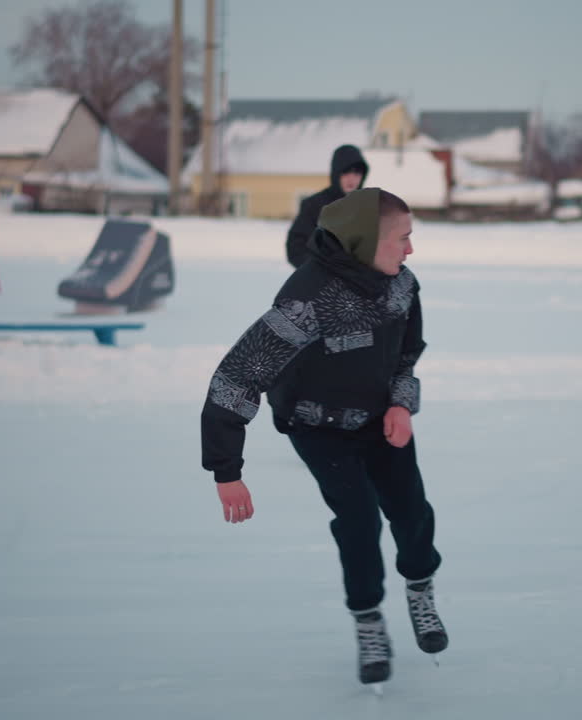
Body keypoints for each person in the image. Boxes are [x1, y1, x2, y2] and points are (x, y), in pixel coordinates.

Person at [201, 187, 445, 687]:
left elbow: (407, 352)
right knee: (358, 521)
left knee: (412, 511)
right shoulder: (307, 301)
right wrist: (227, 471)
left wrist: (402, 401)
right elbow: (237, 377)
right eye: (403, 238)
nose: (411, 249)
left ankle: (420, 589)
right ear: (363, 241)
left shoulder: (402, 285)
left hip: (379, 419)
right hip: (319, 427)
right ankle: (369, 619)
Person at [286, 145, 369, 268]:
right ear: (336, 173)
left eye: (357, 173)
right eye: (346, 172)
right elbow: (295, 248)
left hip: (360, 282)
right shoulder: (314, 205)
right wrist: (321, 270)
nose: (352, 178)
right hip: (323, 281)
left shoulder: (368, 205)